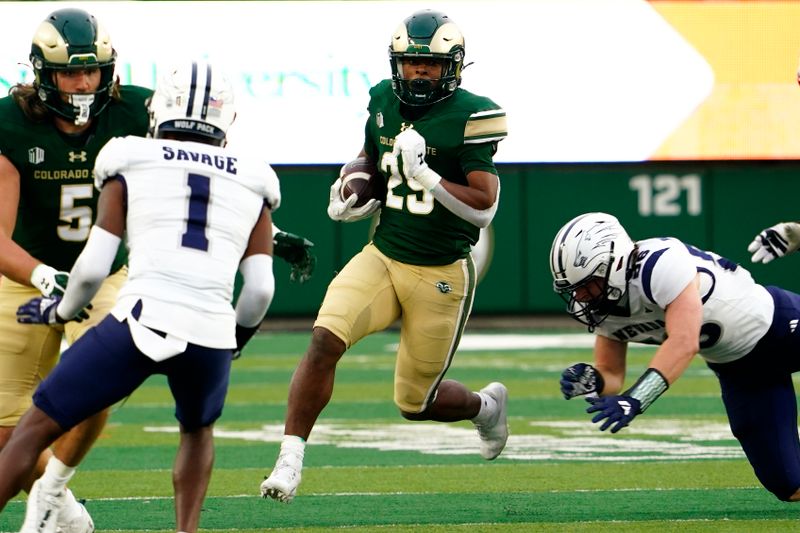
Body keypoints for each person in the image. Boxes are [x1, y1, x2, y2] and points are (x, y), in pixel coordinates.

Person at [0, 59, 279, 532]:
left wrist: (62, 308)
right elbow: (259, 290)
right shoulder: (254, 177)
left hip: (140, 318)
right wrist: (235, 341)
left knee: (36, 423)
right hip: (210, 329)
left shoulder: (130, 157)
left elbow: (91, 268)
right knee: (196, 430)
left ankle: (50, 493)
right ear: (226, 118)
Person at [260, 9, 509, 504]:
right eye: (412, 62)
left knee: (415, 404)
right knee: (323, 340)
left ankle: (485, 407)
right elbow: (371, 159)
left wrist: (430, 177)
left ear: (453, 67)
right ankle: (289, 460)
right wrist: (352, 187)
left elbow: (484, 208)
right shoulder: (381, 98)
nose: (419, 72)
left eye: (431, 65)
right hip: (385, 255)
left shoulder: (475, 113)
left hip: (441, 272)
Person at [0, 8, 152, 532]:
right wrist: (44, 276)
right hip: (25, 271)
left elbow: (196, 164)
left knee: (100, 380)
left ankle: (52, 489)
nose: (83, 82)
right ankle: (63, 511)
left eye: (91, 70)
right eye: (69, 71)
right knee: (2, 429)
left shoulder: (137, 110)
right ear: (43, 72)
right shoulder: (10, 121)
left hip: (106, 272)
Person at [551, 211, 800, 502]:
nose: (580, 296)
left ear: (614, 262)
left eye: (586, 284)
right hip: (740, 369)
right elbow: (612, 373)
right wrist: (594, 379)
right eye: (574, 289)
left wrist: (636, 400)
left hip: (782, 327)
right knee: (789, 484)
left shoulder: (660, 263)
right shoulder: (603, 306)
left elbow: (684, 342)